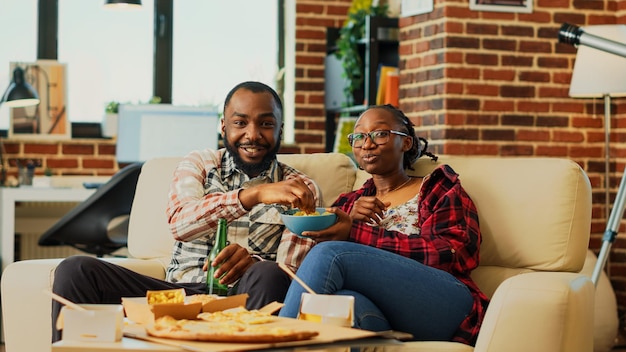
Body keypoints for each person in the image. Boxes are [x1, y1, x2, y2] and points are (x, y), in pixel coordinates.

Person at [51, 81, 320, 342]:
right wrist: (252, 196)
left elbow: (293, 274)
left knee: (270, 273)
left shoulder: (301, 189)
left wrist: (254, 265)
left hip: (245, 297)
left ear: (280, 129)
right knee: (75, 270)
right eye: (240, 123)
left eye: (266, 124)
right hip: (177, 295)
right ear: (223, 126)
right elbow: (180, 223)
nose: (252, 134)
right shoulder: (200, 164)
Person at [278, 104, 489, 346]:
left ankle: (274, 343)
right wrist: (351, 220)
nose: (367, 144)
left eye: (379, 134)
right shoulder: (347, 204)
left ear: (407, 142)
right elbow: (317, 274)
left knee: (330, 254)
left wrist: (355, 233)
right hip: (382, 314)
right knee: (342, 305)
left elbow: (451, 254)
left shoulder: (437, 188)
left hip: (443, 303)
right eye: (358, 136)